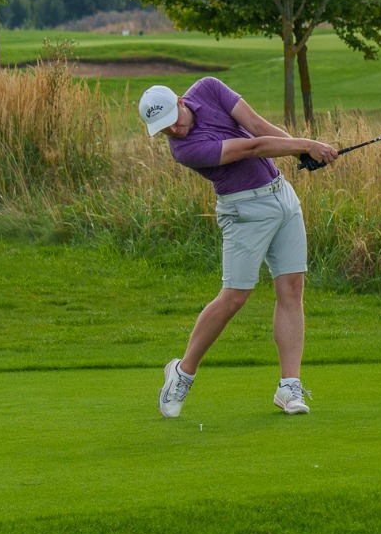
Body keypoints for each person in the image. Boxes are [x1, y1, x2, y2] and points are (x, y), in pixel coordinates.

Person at [138, 77, 339, 418]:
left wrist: (300, 151)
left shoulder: (209, 88)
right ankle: (183, 372)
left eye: (173, 120)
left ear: (181, 102)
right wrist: (308, 144)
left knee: (292, 287)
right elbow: (251, 147)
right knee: (234, 296)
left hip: (282, 196)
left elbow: (258, 126)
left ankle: (289, 386)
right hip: (244, 211)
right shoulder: (185, 150)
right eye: (164, 129)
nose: (173, 130)